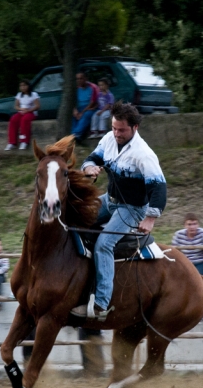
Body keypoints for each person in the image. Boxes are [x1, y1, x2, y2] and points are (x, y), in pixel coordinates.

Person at [71, 101, 167, 320]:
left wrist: (150, 218)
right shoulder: (108, 138)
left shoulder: (144, 154)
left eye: (121, 130)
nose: (116, 133)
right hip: (110, 200)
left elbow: (159, 187)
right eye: (114, 128)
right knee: (75, 220)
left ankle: (101, 305)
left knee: (104, 244)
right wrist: (89, 168)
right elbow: (92, 158)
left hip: (132, 209)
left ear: (135, 128)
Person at [5, 80, 40, 151]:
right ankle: (12, 142)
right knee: (13, 120)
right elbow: (16, 106)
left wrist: (28, 110)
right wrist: (21, 109)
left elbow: (37, 106)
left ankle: (24, 141)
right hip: (22, 112)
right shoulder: (19, 95)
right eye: (21, 86)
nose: (23, 87)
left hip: (31, 112)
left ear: (28, 86)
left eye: (24, 85)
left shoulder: (34, 94)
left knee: (24, 121)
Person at [71, 71, 99, 143]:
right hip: (79, 107)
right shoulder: (76, 88)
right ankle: (74, 135)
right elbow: (73, 101)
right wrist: (75, 110)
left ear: (86, 79)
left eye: (81, 78)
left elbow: (92, 102)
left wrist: (82, 112)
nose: (79, 80)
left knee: (86, 115)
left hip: (90, 108)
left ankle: (76, 134)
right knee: (73, 116)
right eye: (77, 79)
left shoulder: (93, 87)